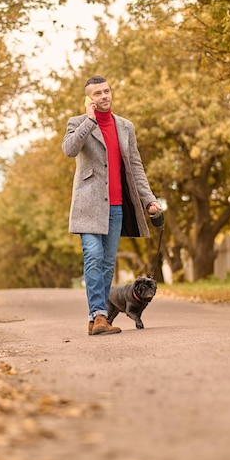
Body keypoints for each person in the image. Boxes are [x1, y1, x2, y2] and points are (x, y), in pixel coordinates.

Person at [62, 75, 161, 336]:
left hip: (116, 207)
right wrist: (89, 121)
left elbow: (136, 166)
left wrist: (149, 199)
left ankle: (98, 318)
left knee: (106, 263)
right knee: (93, 257)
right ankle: (98, 315)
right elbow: (69, 150)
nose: (104, 96)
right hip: (88, 205)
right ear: (89, 99)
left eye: (106, 91)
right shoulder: (78, 123)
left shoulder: (126, 126)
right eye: (97, 93)